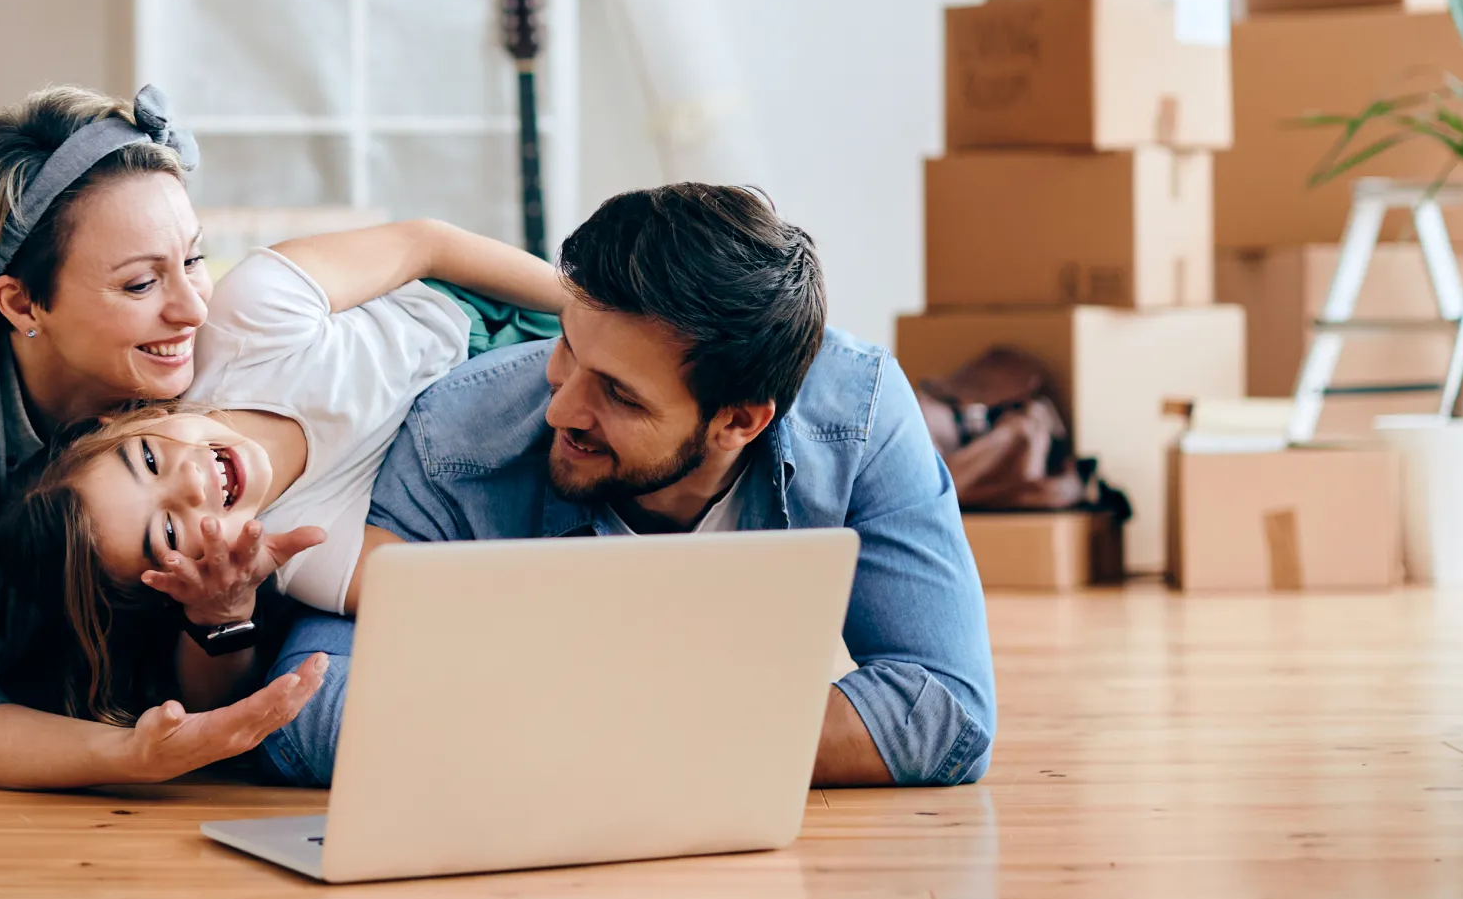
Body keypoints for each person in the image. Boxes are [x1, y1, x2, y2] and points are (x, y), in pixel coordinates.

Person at [0, 83, 550, 790]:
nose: (193, 306)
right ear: (21, 303)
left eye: (192, 258)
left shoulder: (197, 360)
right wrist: (134, 759)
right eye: (138, 285)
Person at [250, 183, 998, 789]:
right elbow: (306, 712)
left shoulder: (859, 416)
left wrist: (574, 732)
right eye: (566, 349)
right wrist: (683, 733)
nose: (562, 407)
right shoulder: (456, 437)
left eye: (619, 394)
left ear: (738, 420)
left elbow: (946, 714)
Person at [0, 223, 566, 724]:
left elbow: (430, 245)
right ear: (180, 583)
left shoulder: (245, 319)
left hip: (499, 310)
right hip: (514, 433)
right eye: (168, 532)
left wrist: (585, 309)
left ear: (120, 420)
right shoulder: (301, 552)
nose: (192, 485)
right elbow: (458, 584)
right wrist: (224, 611)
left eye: (147, 459)